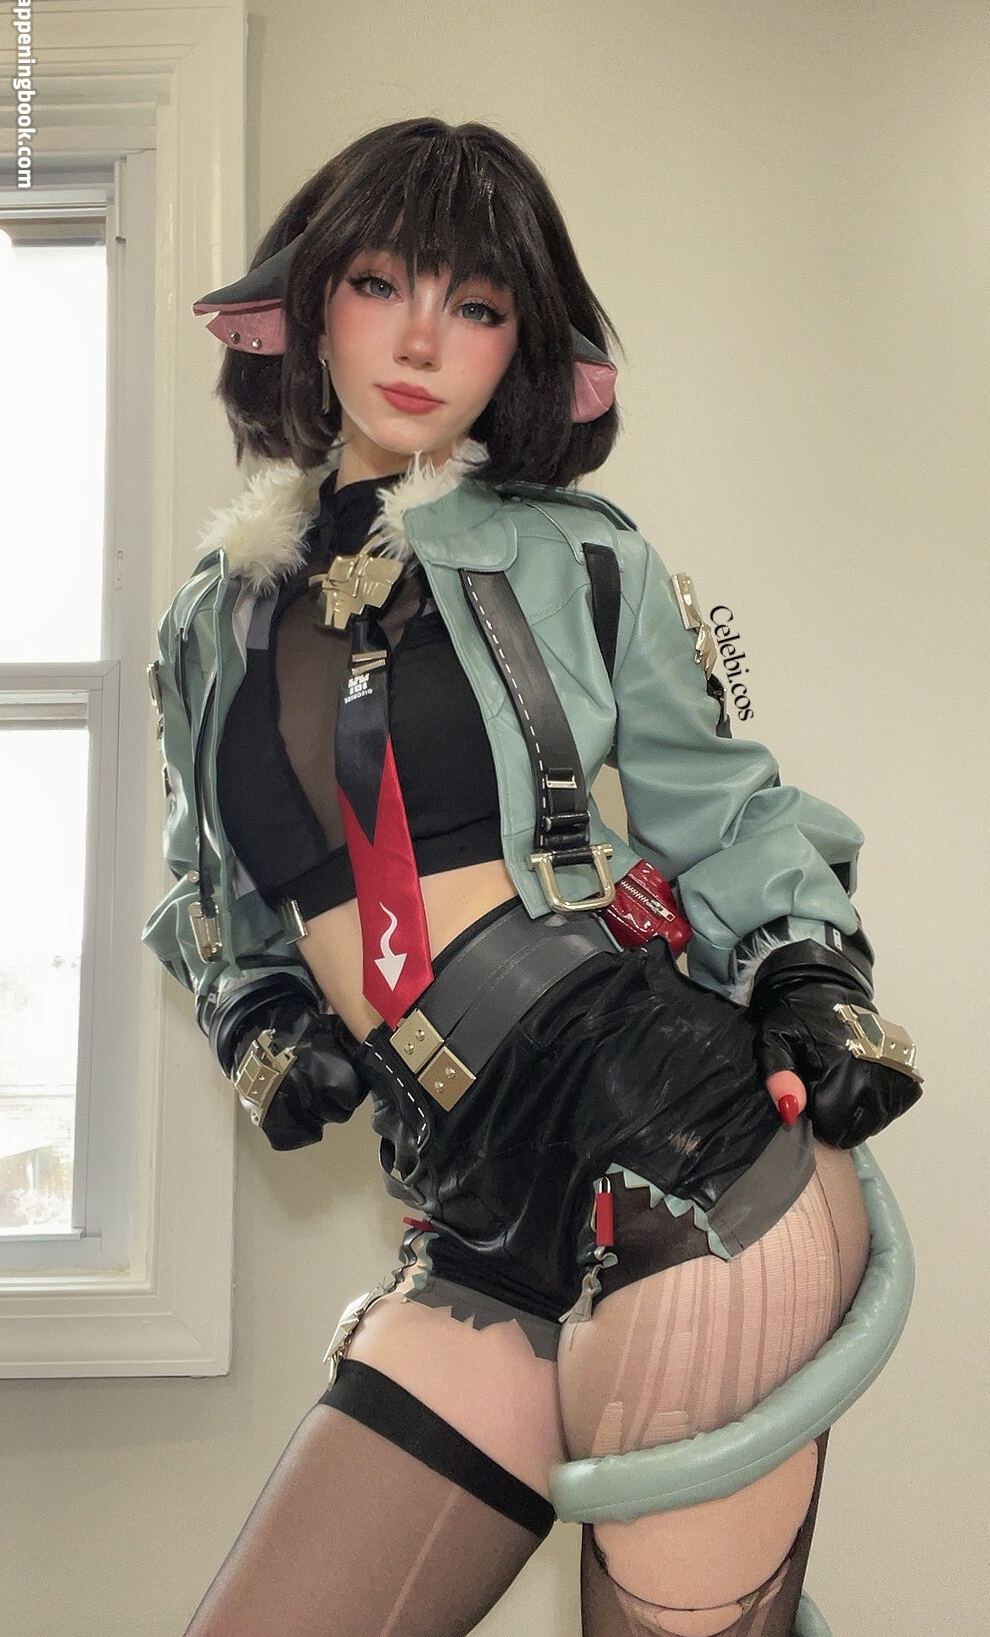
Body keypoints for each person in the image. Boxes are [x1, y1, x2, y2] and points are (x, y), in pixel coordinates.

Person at [143, 118, 922, 1637]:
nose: (421, 339)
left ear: (523, 346)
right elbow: (210, 884)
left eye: (478, 304)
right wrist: (254, 1014)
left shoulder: (582, 555)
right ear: (308, 304)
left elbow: (720, 806)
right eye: (380, 283)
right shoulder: (213, 619)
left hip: (683, 1153)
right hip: (470, 1200)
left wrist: (812, 969)